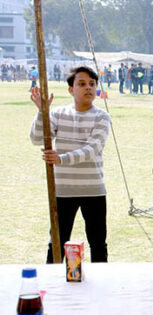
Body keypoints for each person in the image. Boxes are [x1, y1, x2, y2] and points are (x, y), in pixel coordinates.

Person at [29, 66, 111, 263]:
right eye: (81, 84)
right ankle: (52, 283)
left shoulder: (101, 116)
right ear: (71, 89)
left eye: (92, 84)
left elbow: (93, 149)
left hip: (93, 189)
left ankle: (102, 285)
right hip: (63, 190)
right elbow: (37, 138)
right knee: (57, 241)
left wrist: (62, 159)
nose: (88, 88)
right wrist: (42, 112)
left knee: (98, 242)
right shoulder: (58, 114)